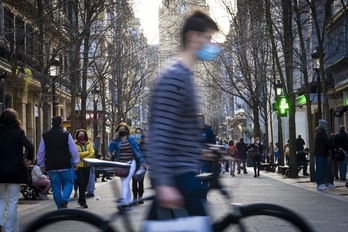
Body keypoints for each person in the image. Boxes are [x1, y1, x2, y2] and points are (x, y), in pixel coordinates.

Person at [147, 10, 220, 219]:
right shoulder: (176, 77)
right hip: (176, 177)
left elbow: (178, 133)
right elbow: (160, 133)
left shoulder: (183, 75)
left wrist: (203, 152)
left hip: (182, 174)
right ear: (193, 37)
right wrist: (163, 183)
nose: (211, 44)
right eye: (208, 38)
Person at [0, 108, 34, 232]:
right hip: (15, 170)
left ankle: (0, 223)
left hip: (0, 171)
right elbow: (30, 146)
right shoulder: (18, 133)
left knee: (1, 199)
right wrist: (28, 159)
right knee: (13, 200)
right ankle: (9, 229)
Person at [37, 116, 79, 209]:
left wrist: (41, 164)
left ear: (52, 123)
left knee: (56, 187)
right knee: (69, 183)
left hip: (52, 166)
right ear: (61, 124)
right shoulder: (66, 134)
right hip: (65, 164)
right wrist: (76, 162)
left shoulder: (46, 135)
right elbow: (74, 150)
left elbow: (41, 152)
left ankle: (60, 208)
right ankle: (64, 200)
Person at [109, 122, 146, 207]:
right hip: (121, 164)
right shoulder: (117, 141)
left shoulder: (131, 139)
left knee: (125, 183)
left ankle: (123, 202)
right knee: (124, 184)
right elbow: (110, 150)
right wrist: (113, 140)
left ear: (126, 130)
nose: (122, 131)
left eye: (123, 129)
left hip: (131, 163)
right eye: (120, 130)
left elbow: (137, 151)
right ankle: (129, 203)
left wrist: (142, 162)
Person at [314, 119, 342, 190]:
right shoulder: (321, 133)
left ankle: (328, 183)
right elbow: (328, 142)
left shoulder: (321, 133)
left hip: (323, 154)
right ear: (323, 126)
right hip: (320, 154)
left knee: (327, 169)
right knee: (320, 169)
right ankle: (319, 184)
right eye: (326, 125)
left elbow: (327, 144)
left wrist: (335, 148)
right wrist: (337, 147)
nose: (326, 127)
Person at [197, 114, 217, 200]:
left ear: (204, 120)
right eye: (198, 119)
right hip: (195, 159)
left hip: (206, 159)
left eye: (201, 119)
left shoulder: (209, 131)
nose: (200, 121)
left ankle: (203, 196)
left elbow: (213, 144)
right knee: (195, 177)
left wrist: (211, 153)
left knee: (204, 177)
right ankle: (197, 194)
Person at [74, 129, 95, 208]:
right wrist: (87, 153)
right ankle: (83, 202)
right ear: (77, 136)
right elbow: (76, 154)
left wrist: (83, 157)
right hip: (79, 167)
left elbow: (92, 153)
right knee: (82, 183)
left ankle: (80, 199)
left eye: (83, 134)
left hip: (87, 166)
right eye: (80, 134)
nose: (81, 136)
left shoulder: (89, 142)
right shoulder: (75, 143)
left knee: (85, 183)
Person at [132, 127, 147, 204]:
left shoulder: (144, 143)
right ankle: (135, 198)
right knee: (134, 181)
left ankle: (140, 197)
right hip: (134, 164)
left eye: (139, 133)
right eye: (136, 133)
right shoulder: (133, 142)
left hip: (142, 164)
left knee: (141, 181)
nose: (138, 134)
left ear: (142, 134)